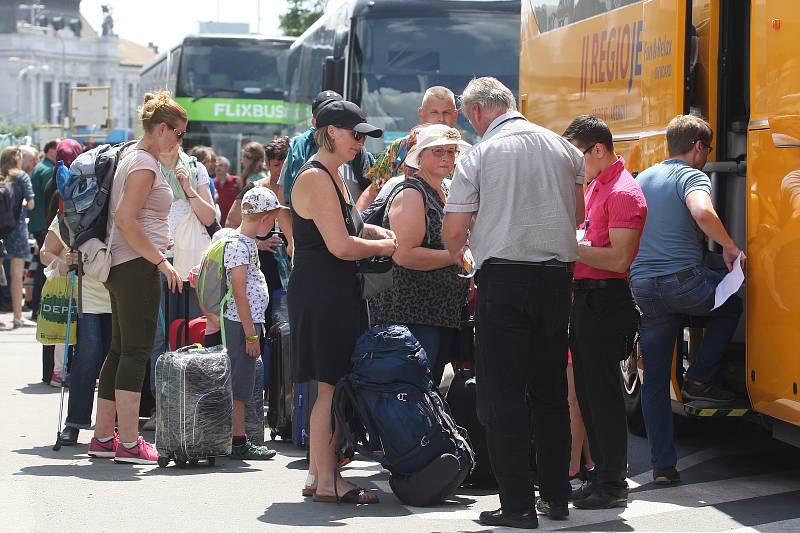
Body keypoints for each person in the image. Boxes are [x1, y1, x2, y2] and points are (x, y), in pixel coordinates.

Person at [442, 77, 585, 529]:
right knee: (549, 391)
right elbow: (578, 215)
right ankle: (557, 497)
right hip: (556, 281)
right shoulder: (565, 149)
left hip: (503, 279)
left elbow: (453, 232)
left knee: (503, 394)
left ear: (480, 113)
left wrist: (466, 250)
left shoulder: (480, 154)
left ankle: (517, 504)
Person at [289, 100, 395, 504]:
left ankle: (319, 477)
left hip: (329, 292)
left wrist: (379, 234)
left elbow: (352, 224)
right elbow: (340, 244)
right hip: (324, 294)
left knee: (330, 388)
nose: (360, 142)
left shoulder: (333, 174)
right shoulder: (318, 177)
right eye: (356, 134)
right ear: (331, 131)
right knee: (331, 389)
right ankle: (330, 482)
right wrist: (383, 246)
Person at [629, 114, 744, 484]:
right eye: (707, 149)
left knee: (655, 381)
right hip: (685, 286)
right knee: (732, 303)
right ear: (698, 147)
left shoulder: (642, 178)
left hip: (645, 290)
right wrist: (729, 246)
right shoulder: (690, 176)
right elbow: (702, 211)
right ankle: (699, 378)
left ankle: (663, 466)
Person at [88, 90, 186, 465]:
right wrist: (161, 260)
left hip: (121, 264)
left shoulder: (131, 156)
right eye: (178, 133)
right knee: (136, 351)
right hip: (136, 266)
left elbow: (131, 219)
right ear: (162, 128)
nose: (180, 141)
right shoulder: (144, 164)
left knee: (119, 349)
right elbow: (128, 221)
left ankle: (103, 437)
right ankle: (128, 442)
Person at [561, 115, 647, 509]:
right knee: (591, 395)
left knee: (604, 396)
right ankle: (601, 477)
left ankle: (612, 483)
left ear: (597, 150)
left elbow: (618, 259)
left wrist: (567, 246)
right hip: (588, 298)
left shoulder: (624, 192)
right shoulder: (599, 184)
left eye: (577, 155)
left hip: (605, 299)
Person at [367, 124, 470, 387]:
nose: (446, 157)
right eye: (437, 151)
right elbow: (405, 254)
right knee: (410, 395)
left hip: (438, 313)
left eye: (451, 151)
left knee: (425, 394)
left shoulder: (444, 190)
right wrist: (456, 256)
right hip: (411, 315)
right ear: (420, 156)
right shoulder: (412, 192)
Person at [224, 187, 285, 460]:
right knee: (240, 383)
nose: (273, 226)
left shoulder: (245, 243)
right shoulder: (239, 246)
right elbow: (239, 291)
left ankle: (239, 437)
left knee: (244, 381)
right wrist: (251, 335)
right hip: (242, 324)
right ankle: (238, 440)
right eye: (272, 219)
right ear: (263, 219)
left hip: (247, 323)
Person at [40, 214, 112, 445]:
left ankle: (113, 426)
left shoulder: (122, 201)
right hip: (86, 296)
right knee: (87, 358)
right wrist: (65, 263)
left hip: (120, 292)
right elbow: (45, 252)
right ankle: (75, 423)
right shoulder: (71, 211)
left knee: (116, 361)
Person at [358, 86, 459, 209]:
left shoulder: (466, 154)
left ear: (455, 115)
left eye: (446, 113)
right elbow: (373, 191)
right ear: (421, 113)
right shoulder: (400, 147)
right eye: (434, 112)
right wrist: (357, 225)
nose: (441, 119)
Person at [278, 91, 374, 206]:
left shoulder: (352, 156)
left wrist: (358, 220)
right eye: (356, 134)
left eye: (337, 113)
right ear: (314, 121)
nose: (360, 143)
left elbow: (370, 190)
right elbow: (285, 203)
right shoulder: (305, 156)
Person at [0, 146, 37, 328]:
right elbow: (30, 204)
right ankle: (17, 317)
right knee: (16, 275)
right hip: (16, 228)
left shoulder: (1, 175)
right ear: (18, 158)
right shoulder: (22, 177)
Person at [28, 140, 59, 320]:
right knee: (45, 266)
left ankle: (36, 307)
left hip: (39, 223)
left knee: (42, 265)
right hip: (44, 224)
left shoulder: (40, 167)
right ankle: (39, 307)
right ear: (52, 150)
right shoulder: (48, 170)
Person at [213, 156, 241, 226]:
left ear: (227, 168)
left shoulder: (236, 181)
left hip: (233, 222)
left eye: (221, 165)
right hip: (216, 223)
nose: (218, 168)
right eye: (216, 166)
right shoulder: (211, 183)